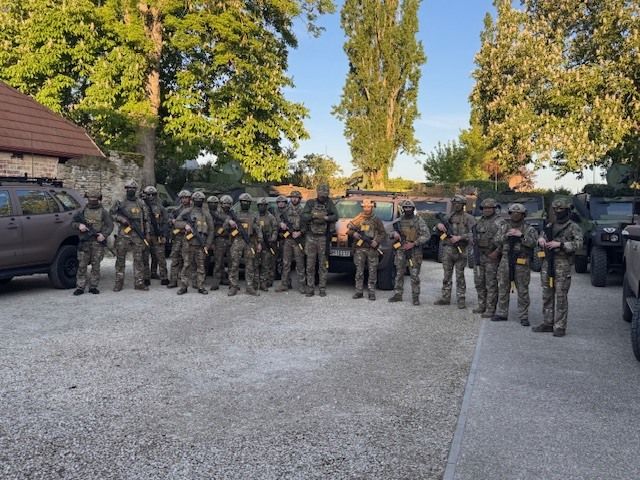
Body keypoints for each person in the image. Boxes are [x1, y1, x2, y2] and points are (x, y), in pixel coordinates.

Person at [532, 198, 583, 337]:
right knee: (547, 294)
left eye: (561, 209)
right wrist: (540, 240)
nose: (558, 212)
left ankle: (560, 326)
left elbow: (579, 244)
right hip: (548, 263)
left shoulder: (573, 226)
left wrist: (560, 244)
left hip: (562, 263)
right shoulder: (550, 225)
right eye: (555, 209)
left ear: (567, 210)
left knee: (561, 296)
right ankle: (547, 323)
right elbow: (541, 237)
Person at [492, 203, 538, 325]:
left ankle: (523, 316)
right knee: (503, 287)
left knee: (522, 289)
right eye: (513, 213)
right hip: (506, 260)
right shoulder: (504, 227)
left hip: (521, 261)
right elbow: (496, 241)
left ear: (523, 215)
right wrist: (506, 235)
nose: (515, 215)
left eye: (519, 213)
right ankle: (502, 313)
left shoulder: (529, 229)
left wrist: (521, 236)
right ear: (510, 214)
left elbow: (534, 243)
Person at [434, 194, 476, 309]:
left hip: (461, 250)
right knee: (446, 275)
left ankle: (461, 299)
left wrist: (460, 237)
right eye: (454, 203)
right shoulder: (448, 217)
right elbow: (438, 233)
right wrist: (438, 226)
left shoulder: (469, 218)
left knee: (460, 276)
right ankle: (445, 298)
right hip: (448, 249)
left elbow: (474, 234)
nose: (456, 205)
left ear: (463, 205)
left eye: (458, 203)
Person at [111, 180, 151, 291]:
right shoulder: (120, 202)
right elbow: (112, 214)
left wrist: (147, 233)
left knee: (139, 260)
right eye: (129, 188)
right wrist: (121, 219)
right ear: (126, 189)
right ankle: (118, 283)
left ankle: (139, 283)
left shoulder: (141, 203)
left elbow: (146, 219)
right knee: (120, 259)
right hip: (123, 234)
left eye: (133, 188)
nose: (131, 190)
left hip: (138, 235)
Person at [72, 190, 113, 295]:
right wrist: (79, 225)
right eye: (91, 198)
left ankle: (93, 286)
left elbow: (110, 225)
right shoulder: (82, 211)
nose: (93, 200)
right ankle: (80, 287)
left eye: (95, 198)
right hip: (84, 242)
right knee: (82, 265)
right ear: (87, 199)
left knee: (96, 266)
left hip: (97, 243)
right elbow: (73, 222)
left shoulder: (103, 212)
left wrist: (104, 235)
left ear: (98, 199)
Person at [388, 200, 428, 305]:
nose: (407, 209)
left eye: (409, 207)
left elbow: (426, 235)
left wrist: (414, 243)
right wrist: (394, 234)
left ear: (413, 209)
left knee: (414, 275)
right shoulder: (399, 221)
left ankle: (415, 297)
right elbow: (389, 233)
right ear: (403, 209)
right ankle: (397, 295)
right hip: (401, 251)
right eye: (405, 207)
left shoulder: (419, 220)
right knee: (399, 273)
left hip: (414, 252)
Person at [301, 184, 338, 297]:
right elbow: (304, 216)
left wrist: (326, 218)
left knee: (323, 265)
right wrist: (314, 216)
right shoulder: (310, 203)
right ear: (317, 193)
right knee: (310, 265)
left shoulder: (329, 203)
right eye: (321, 195)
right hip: (311, 237)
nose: (323, 197)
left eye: (325, 195)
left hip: (323, 238)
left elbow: (336, 216)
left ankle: (322, 288)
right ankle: (310, 288)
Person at [175, 191, 214, 295]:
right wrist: (185, 225)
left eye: (200, 200)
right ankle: (184, 286)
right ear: (193, 200)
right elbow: (177, 223)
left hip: (201, 244)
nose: (198, 201)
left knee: (201, 266)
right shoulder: (187, 211)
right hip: (188, 243)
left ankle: (200, 286)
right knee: (186, 265)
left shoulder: (206, 214)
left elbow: (211, 231)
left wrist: (207, 245)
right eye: (196, 200)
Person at [225, 193, 262, 296]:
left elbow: (258, 229)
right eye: (243, 202)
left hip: (249, 241)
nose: (245, 203)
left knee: (250, 265)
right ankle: (233, 286)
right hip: (237, 241)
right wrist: (230, 222)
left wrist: (259, 242)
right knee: (234, 264)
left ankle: (249, 287)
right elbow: (225, 227)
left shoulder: (253, 215)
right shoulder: (234, 214)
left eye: (247, 202)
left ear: (250, 203)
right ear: (240, 203)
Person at [347, 199, 385, 300]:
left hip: (372, 249)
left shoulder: (376, 219)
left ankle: (371, 292)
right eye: (365, 207)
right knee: (359, 271)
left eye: (368, 207)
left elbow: (382, 233)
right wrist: (353, 234)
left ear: (372, 207)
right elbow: (349, 228)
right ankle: (359, 291)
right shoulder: (359, 218)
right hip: (360, 249)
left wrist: (376, 241)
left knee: (372, 271)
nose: (366, 209)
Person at [471, 198, 503, 317]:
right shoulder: (479, 221)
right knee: (479, 282)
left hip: (492, 257)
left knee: (491, 284)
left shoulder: (500, 222)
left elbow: (505, 239)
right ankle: (482, 305)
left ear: (494, 209)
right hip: (480, 255)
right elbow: (472, 234)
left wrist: (497, 252)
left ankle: (490, 309)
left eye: (489, 208)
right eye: (484, 208)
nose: (487, 210)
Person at [276, 192, 307, 293]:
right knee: (286, 263)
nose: (294, 199)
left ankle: (302, 285)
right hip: (288, 239)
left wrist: (300, 233)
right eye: (293, 197)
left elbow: (307, 225)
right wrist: (281, 224)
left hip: (298, 240)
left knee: (300, 263)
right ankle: (285, 284)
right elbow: (277, 218)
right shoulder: (285, 210)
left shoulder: (303, 211)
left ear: (299, 199)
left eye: (296, 197)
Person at [141, 185, 169, 285]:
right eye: (148, 194)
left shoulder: (160, 207)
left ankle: (163, 277)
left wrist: (164, 235)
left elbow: (165, 222)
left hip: (157, 235)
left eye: (153, 194)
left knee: (160, 257)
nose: (151, 196)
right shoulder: (141, 206)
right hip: (145, 235)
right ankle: (146, 277)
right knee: (145, 257)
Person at [167, 190, 192, 288]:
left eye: (186, 198)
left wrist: (178, 223)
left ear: (189, 198)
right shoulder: (176, 210)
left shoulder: (193, 210)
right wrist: (173, 221)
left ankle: (184, 281)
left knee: (186, 260)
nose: (184, 200)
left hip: (188, 237)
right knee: (175, 259)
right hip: (177, 237)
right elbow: (169, 221)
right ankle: (173, 280)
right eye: (182, 198)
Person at [254, 198, 278, 291]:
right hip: (256, 243)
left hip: (267, 243)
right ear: (258, 206)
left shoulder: (271, 217)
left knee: (266, 264)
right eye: (260, 205)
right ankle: (255, 283)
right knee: (255, 264)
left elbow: (275, 229)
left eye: (264, 205)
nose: (262, 207)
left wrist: (272, 239)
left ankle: (263, 283)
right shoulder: (254, 216)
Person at [210, 195, 232, 290]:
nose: (226, 205)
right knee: (218, 262)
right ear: (221, 204)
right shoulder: (216, 214)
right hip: (219, 239)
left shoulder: (232, 214)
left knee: (231, 262)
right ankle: (216, 281)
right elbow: (211, 228)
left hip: (230, 239)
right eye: (224, 203)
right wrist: (212, 242)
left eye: (228, 204)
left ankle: (231, 281)